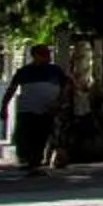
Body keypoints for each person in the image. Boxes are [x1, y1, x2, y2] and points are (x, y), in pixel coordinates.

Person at [7, 45, 71, 175]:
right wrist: (4, 106)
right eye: (44, 54)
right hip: (28, 109)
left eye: (48, 54)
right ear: (35, 55)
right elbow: (12, 88)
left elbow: (66, 86)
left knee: (42, 136)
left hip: (48, 110)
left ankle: (36, 163)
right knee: (26, 136)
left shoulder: (55, 70)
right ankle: (29, 161)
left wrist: (60, 102)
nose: (48, 56)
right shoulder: (24, 71)